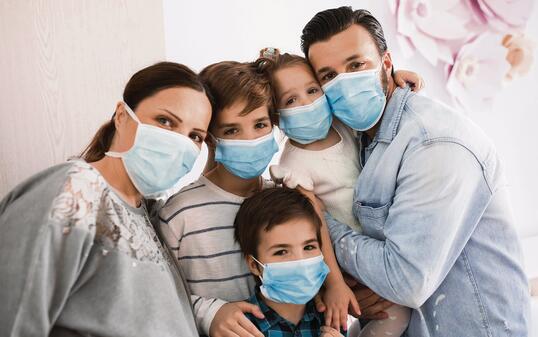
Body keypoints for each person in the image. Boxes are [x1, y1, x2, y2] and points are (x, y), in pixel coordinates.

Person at [301, 6, 530, 336]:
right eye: (329, 76)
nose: (345, 84)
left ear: (386, 62)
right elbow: (285, 91)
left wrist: (320, 223)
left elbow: (405, 281)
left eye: (356, 65)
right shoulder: (359, 136)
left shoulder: (434, 144)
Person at [0, 62, 211, 337]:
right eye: (165, 121)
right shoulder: (76, 190)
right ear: (122, 116)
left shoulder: (150, 215)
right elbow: (14, 316)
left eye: (195, 136)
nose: (181, 143)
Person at [158, 60, 359, 337]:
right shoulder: (180, 213)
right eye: (231, 130)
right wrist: (210, 313)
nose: (250, 139)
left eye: (260, 124)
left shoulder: (287, 199)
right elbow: (159, 300)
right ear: (210, 137)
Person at [256, 47, 423, 336]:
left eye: (312, 91)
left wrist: (395, 77)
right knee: (392, 315)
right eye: (291, 100)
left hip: (384, 241)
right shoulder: (293, 165)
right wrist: (335, 282)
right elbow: (316, 223)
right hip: (349, 258)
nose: (307, 103)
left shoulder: (343, 124)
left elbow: (367, 100)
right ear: (277, 116)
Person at [234, 186, 345, 337]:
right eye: (281, 252)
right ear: (254, 265)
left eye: (309, 247)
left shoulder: (332, 317)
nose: (301, 261)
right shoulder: (239, 327)